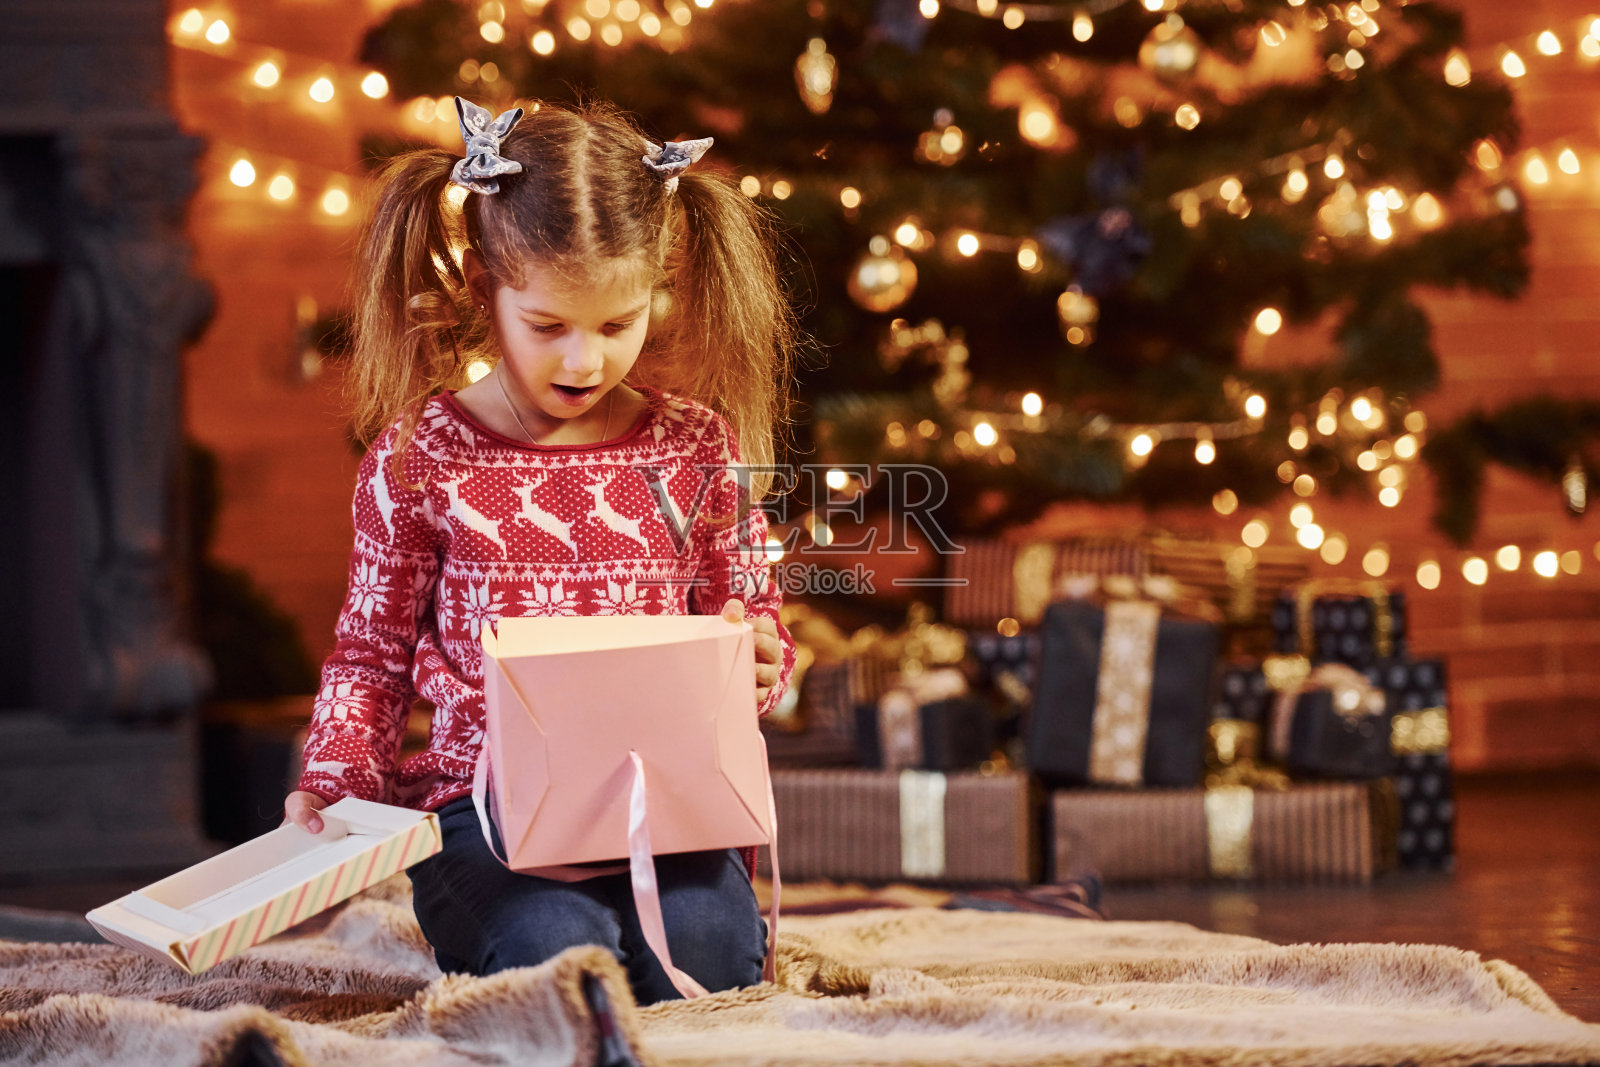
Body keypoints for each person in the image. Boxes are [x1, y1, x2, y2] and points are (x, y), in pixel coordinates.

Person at [282, 97, 799, 1005]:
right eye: (550, 324)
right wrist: (333, 780)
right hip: (483, 817)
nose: (584, 360)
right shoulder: (419, 458)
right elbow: (370, 659)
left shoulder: (696, 446)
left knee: (715, 961)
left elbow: (750, 612)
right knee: (560, 957)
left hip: (662, 809)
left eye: (616, 323)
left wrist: (758, 654)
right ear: (485, 287)